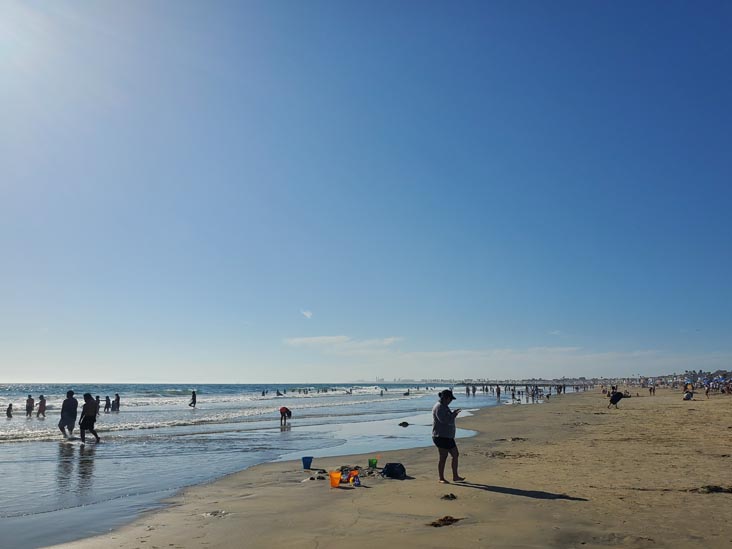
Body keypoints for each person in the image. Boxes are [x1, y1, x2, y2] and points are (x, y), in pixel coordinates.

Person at [432, 389, 464, 483]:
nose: (450, 401)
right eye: (450, 399)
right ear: (446, 398)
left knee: (455, 454)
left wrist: (453, 413)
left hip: (448, 436)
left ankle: (455, 476)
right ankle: (441, 478)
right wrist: (453, 415)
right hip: (440, 436)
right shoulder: (439, 407)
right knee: (443, 456)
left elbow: (447, 418)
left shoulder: (444, 406)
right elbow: (444, 420)